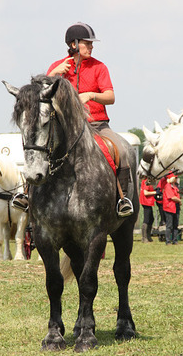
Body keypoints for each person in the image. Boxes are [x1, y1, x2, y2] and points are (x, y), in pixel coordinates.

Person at [47, 22, 133, 217]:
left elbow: (110, 97)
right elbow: (43, 94)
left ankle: (123, 199)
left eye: (91, 44)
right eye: (87, 43)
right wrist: (54, 74)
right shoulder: (58, 67)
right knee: (40, 150)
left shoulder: (99, 67)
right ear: (74, 44)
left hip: (97, 124)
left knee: (121, 150)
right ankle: (27, 196)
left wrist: (91, 95)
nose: (91, 47)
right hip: (66, 127)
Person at [163, 172, 181, 245]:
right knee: (169, 225)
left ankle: (175, 240)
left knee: (175, 225)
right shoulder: (168, 186)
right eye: (175, 178)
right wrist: (179, 200)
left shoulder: (174, 186)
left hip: (175, 207)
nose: (176, 179)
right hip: (169, 208)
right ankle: (168, 241)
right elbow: (172, 197)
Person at [139, 178, 156, 243]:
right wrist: (155, 192)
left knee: (151, 219)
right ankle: (144, 237)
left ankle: (148, 236)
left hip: (148, 202)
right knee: (147, 219)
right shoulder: (146, 181)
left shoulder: (149, 181)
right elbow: (145, 193)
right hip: (146, 202)